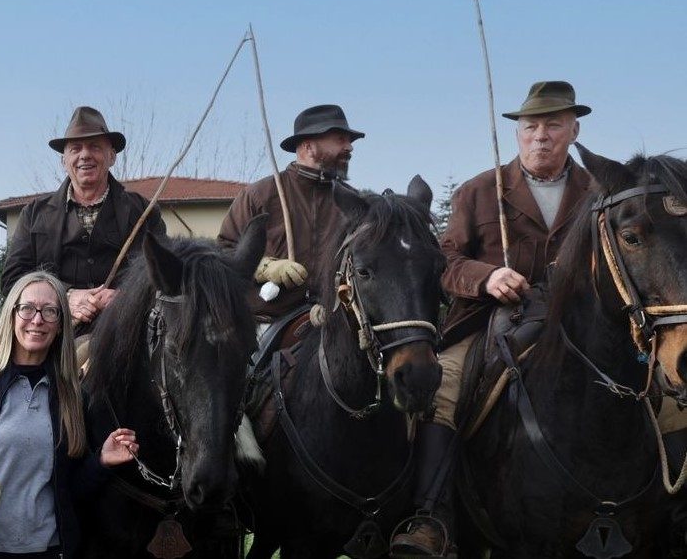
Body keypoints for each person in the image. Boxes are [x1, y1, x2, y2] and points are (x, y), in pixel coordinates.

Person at [389, 81, 594, 558]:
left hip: (580, 323)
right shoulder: (479, 191)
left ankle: (668, 508)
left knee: (660, 389)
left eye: (553, 125)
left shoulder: (599, 191)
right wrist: (486, 277)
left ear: (574, 129)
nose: (541, 135)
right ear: (518, 133)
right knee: (443, 389)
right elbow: (445, 261)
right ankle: (429, 517)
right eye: (531, 126)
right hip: (486, 323)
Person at [0, 271, 139, 558]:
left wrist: (101, 461)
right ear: (11, 315)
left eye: (50, 311)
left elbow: (68, 491)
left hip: (47, 550)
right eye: (27, 309)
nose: (37, 320)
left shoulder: (72, 396)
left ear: (61, 325)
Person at [1, 106, 166, 333]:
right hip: (53, 338)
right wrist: (64, 296)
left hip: (127, 338)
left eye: (95, 147)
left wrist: (127, 298)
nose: (85, 155)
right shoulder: (34, 214)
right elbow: (12, 280)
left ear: (112, 157)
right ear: (64, 160)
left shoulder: (145, 212)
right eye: (75, 148)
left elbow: (164, 276)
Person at [217, 104, 363, 326]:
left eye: (349, 141)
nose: (349, 147)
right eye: (340, 139)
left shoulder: (352, 202)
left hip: (337, 324)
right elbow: (224, 252)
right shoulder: (259, 195)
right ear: (308, 146)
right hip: (267, 321)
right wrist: (264, 268)